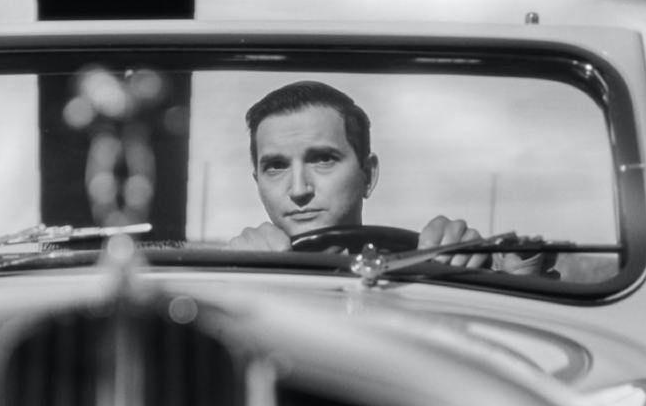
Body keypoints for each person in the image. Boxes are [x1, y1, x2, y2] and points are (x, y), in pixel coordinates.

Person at [224, 80, 555, 274]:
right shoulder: (229, 278)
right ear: (257, 182)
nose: (298, 190)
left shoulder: (429, 269)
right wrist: (224, 276)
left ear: (368, 175)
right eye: (276, 166)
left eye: (323, 159)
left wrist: (501, 274)